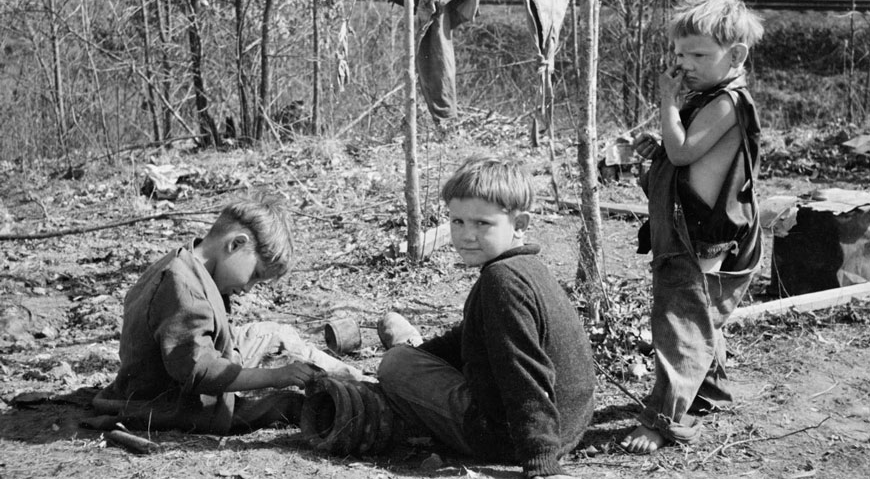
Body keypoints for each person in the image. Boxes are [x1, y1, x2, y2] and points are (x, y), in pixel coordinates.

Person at [377, 156, 595, 479]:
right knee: (409, 355)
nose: (466, 235)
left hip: (508, 438)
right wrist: (423, 355)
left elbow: (523, 371)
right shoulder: (526, 267)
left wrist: (541, 463)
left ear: (519, 224)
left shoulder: (501, 281)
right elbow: (468, 336)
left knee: (394, 365)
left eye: (482, 224)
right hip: (568, 425)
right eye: (458, 222)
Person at [89, 194, 365, 434]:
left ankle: (361, 382)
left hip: (197, 364)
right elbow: (201, 371)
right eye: (254, 276)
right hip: (174, 400)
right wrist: (274, 376)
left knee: (276, 334)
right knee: (287, 403)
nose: (248, 288)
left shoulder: (187, 264)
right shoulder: (180, 286)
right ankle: (361, 398)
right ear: (235, 244)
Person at [623, 0, 765, 454]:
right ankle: (712, 393)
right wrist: (657, 152)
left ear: (736, 54)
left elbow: (684, 150)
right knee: (700, 315)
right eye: (680, 53)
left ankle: (664, 418)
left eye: (699, 54)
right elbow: (680, 162)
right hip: (690, 230)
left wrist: (666, 102)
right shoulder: (707, 99)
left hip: (702, 237)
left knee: (678, 322)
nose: (685, 63)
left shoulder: (728, 102)